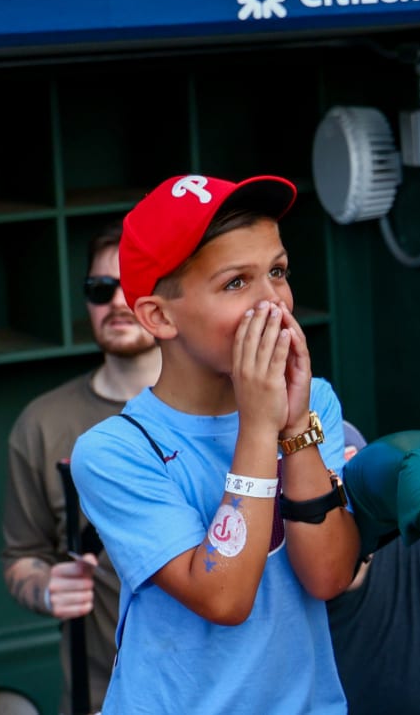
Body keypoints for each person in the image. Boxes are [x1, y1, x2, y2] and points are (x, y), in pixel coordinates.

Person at [70, 174, 359, 715]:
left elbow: (329, 577)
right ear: (158, 316)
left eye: (277, 271)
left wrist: (295, 428)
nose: (273, 303)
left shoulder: (313, 401)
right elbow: (224, 597)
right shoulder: (113, 451)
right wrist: (258, 426)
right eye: (236, 284)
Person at [0, 222, 162, 712]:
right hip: (105, 695)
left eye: (132, 285)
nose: (116, 302)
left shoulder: (221, 408)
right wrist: (48, 589)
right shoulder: (43, 422)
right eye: (99, 288)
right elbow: (20, 557)